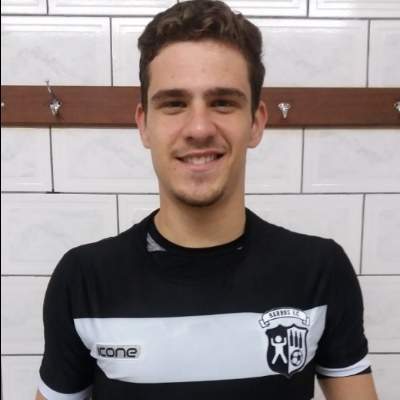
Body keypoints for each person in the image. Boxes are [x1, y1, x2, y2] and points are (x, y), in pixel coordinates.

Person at [36, 1, 378, 399]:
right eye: (174, 103)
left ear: (256, 122)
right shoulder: (84, 280)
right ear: (144, 125)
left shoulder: (319, 271)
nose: (199, 128)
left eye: (222, 102)